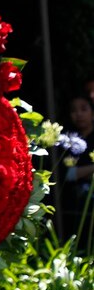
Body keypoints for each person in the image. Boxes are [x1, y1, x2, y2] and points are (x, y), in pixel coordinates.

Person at [64, 93, 94, 244]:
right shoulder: (68, 142)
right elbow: (68, 174)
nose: (79, 114)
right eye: (74, 110)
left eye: (84, 109)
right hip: (73, 207)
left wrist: (83, 171)